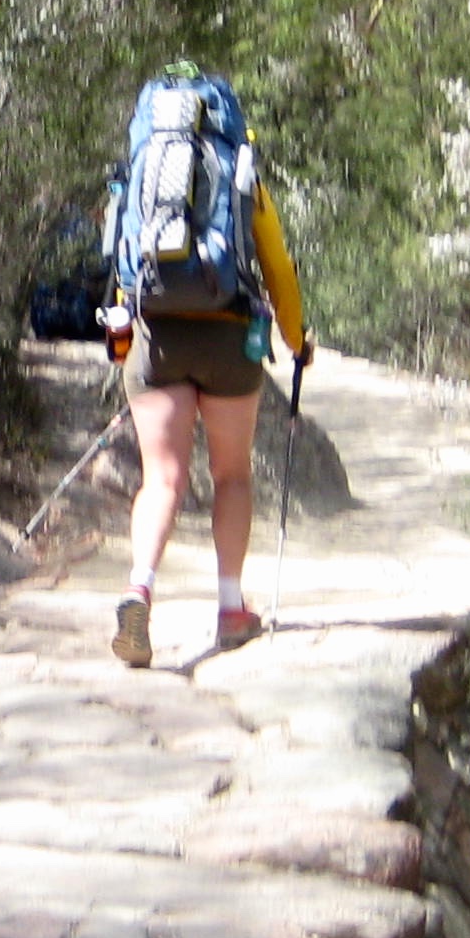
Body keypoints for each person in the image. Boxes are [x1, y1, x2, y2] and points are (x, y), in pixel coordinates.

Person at [106, 75, 310, 668]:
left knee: (162, 479)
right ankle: (230, 609)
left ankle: (139, 587)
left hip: (157, 335)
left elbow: (120, 261)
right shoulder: (241, 175)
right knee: (231, 475)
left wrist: (123, 339)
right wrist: (297, 341)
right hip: (227, 336)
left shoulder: (144, 170)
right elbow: (276, 265)